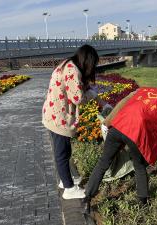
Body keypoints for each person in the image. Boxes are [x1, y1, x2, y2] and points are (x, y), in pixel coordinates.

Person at [84, 77, 157, 212]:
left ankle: (86, 199)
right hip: (135, 134)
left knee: (102, 164)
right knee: (139, 166)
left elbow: (122, 103)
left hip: (117, 127)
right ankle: (143, 202)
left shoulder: (142, 90)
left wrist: (107, 122)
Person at [42, 44, 99, 199]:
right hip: (59, 118)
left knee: (64, 151)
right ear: (88, 61)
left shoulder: (67, 64)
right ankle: (69, 189)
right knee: (61, 153)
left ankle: (65, 179)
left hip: (53, 114)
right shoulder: (72, 70)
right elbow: (77, 98)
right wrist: (93, 94)